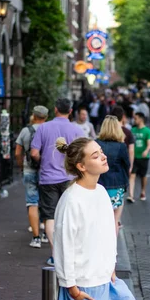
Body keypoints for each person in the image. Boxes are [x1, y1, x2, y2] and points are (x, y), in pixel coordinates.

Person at [53, 136, 148, 300]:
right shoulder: (71, 199)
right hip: (87, 283)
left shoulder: (102, 192)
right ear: (81, 166)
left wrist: (112, 264)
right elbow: (63, 245)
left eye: (100, 152)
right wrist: (71, 286)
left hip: (106, 277)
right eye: (95, 155)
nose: (103, 156)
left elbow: (108, 232)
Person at [31, 98, 85, 266]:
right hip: (70, 178)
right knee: (70, 216)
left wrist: (43, 161)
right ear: (70, 111)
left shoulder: (43, 128)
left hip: (48, 178)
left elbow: (33, 153)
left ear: (55, 110)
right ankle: (72, 253)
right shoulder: (77, 130)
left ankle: (55, 255)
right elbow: (83, 153)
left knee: (50, 216)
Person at [16, 105, 49, 248]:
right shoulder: (49, 130)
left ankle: (35, 237)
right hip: (46, 171)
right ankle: (46, 234)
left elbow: (18, 152)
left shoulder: (25, 131)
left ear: (33, 116)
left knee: (32, 202)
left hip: (29, 169)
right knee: (46, 202)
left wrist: (21, 166)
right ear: (46, 117)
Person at [96, 116, 130, 233]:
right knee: (115, 219)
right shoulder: (121, 146)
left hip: (99, 184)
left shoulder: (96, 144)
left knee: (99, 218)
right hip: (117, 185)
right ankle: (112, 249)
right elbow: (127, 165)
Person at [127, 112, 150, 202]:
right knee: (132, 175)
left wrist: (146, 150)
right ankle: (131, 195)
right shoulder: (132, 130)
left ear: (141, 119)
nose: (134, 120)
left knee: (143, 176)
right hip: (133, 157)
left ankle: (143, 191)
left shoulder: (147, 131)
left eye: (136, 118)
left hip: (144, 157)